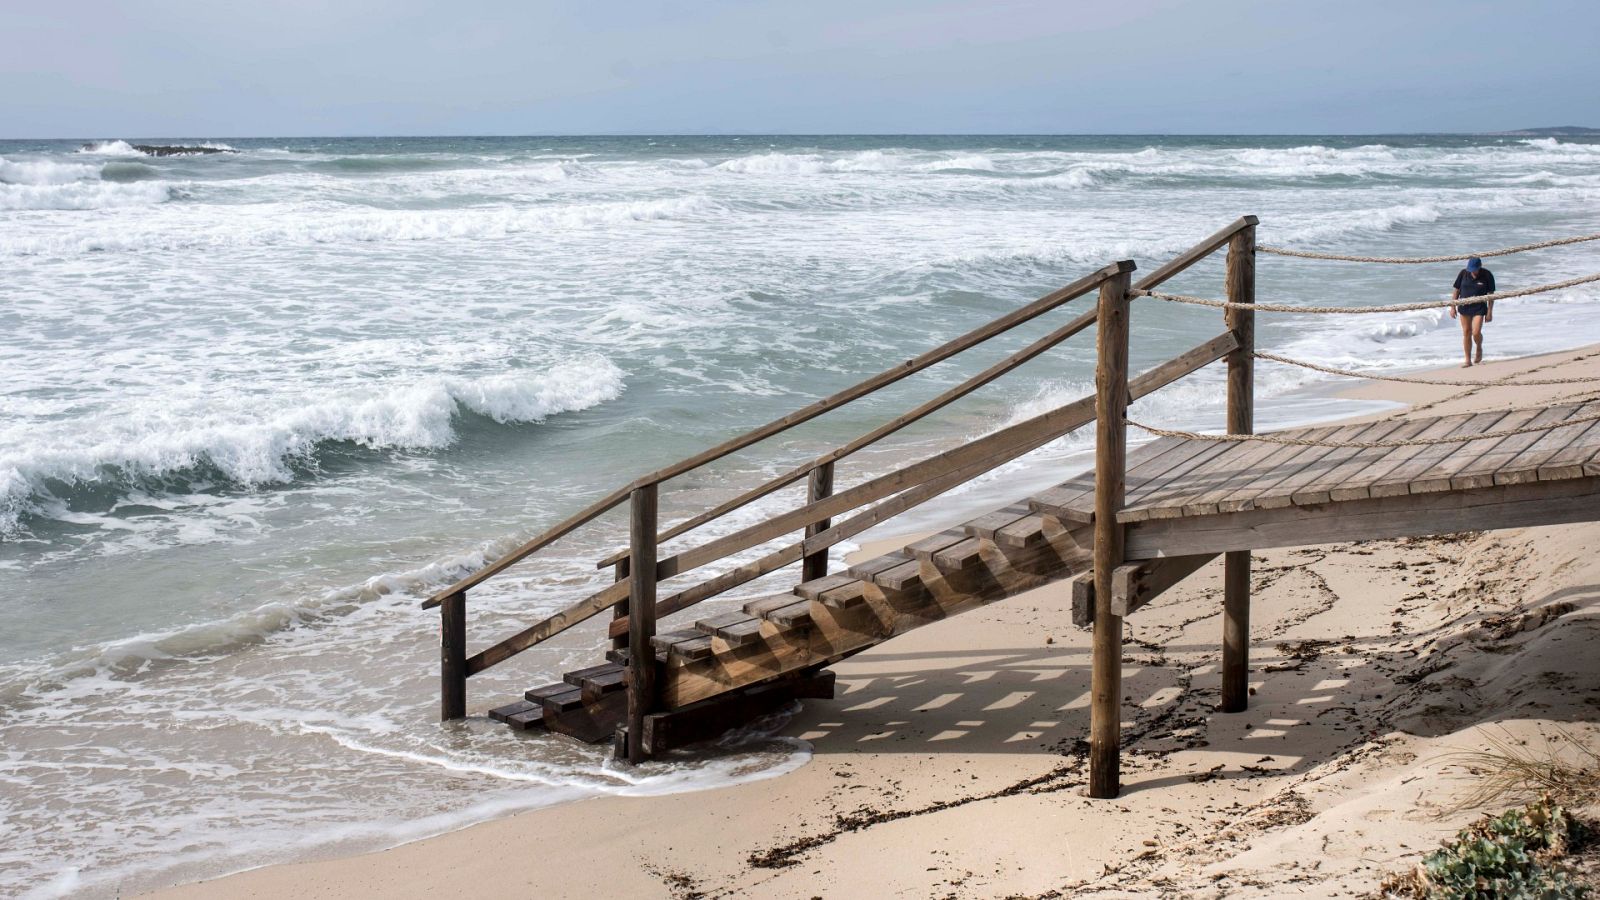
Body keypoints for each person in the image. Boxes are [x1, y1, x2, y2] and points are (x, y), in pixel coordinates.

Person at [1450, 256, 1496, 367]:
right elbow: (1456, 290)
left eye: (1475, 269)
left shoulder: (1487, 275)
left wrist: (1490, 312)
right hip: (1464, 307)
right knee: (1466, 332)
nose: (1473, 272)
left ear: (1479, 267)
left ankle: (1479, 347)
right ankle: (1467, 360)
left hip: (1479, 308)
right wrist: (1453, 307)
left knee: (1475, 332)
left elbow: (1491, 295)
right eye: (1471, 269)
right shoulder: (1463, 273)